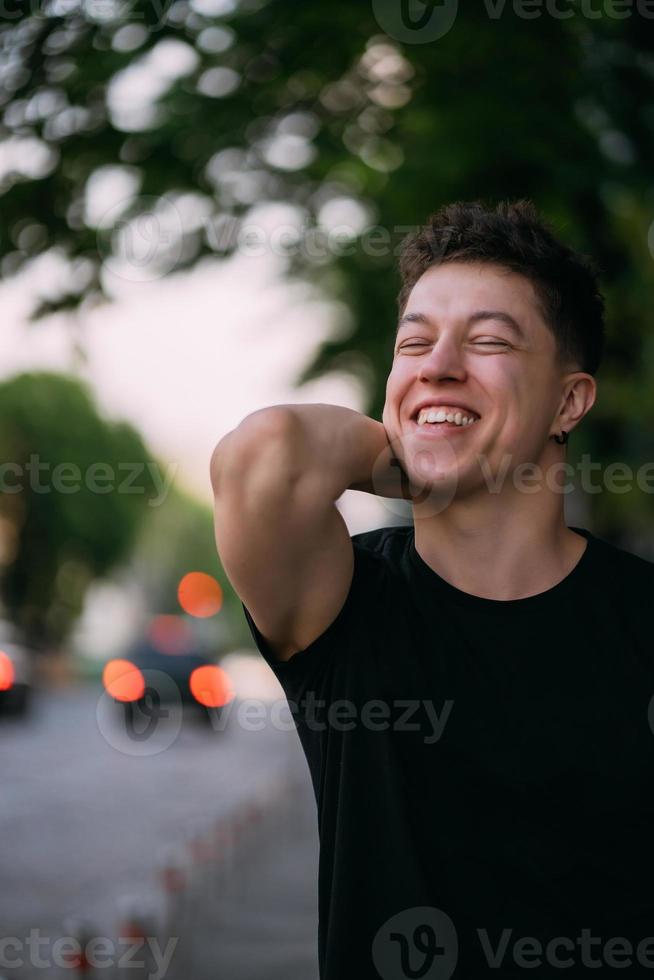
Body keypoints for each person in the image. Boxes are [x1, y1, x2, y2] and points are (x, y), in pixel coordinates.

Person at [210, 200, 654, 979]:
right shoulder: (343, 608)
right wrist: (427, 454)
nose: (438, 365)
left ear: (569, 402)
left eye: (487, 341)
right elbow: (264, 453)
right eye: (414, 342)